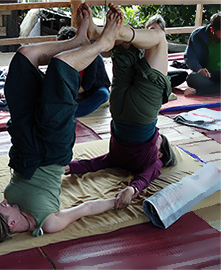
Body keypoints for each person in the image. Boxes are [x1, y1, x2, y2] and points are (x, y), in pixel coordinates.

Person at [0, 4, 124, 248]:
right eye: (3, 208)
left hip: (24, 143)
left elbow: (1, 209)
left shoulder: (10, 203)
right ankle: (101, 46)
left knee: (24, 57)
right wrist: (117, 200)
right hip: (51, 148)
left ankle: (77, 40)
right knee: (60, 68)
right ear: (12, 224)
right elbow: (85, 208)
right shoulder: (47, 222)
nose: (4, 202)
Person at [66, 3, 177, 210]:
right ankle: (102, 33)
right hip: (117, 109)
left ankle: (105, 31)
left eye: (162, 140)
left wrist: (133, 189)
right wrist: (68, 168)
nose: (160, 135)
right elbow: (94, 163)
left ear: (160, 152)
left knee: (160, 38)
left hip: (140, 114)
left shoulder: (154, 159)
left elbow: (148, 176)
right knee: (124, 49)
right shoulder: (117, 158)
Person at [57, 26, 110, 117]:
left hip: (92, 88)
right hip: (74, 88)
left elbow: (87, 85)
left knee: (103, 94)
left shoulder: (92, 56)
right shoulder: (63, 56)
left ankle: (70, 113)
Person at [146, 14, 188, 89]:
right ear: (147, 28)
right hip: (146, 76)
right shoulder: (142, 42)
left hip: (159, 75)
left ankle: (161, 86)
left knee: (183, 74)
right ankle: (160, 87)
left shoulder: (162, 43)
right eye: (152, 29)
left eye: (158, 31)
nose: (154, 33)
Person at [184, 12, 221, 96]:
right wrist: (198, 69)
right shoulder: (197, 35)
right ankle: (215, 88)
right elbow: (190, 57)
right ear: (212, 30)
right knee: (192, 78)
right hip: (208, 75)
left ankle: (202, 91)